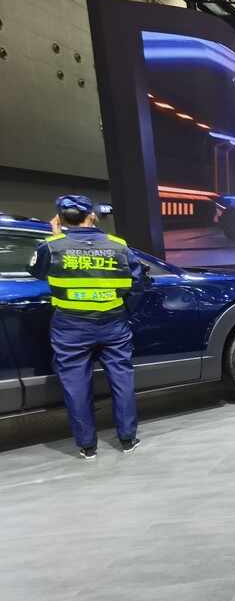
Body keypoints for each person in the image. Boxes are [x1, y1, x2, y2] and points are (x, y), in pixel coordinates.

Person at [27, 195, 146, 460]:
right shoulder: (118, 245)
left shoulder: (51, 246)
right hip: (113, 322)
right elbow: (138, 283)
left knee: (75, 384)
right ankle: (127, 439)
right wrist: (124, 311)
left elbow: (36, 272)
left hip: (70, 326)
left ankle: (87, 446)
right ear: (91, 215)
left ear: (60, 218)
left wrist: (56, 236)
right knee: (122, 379)